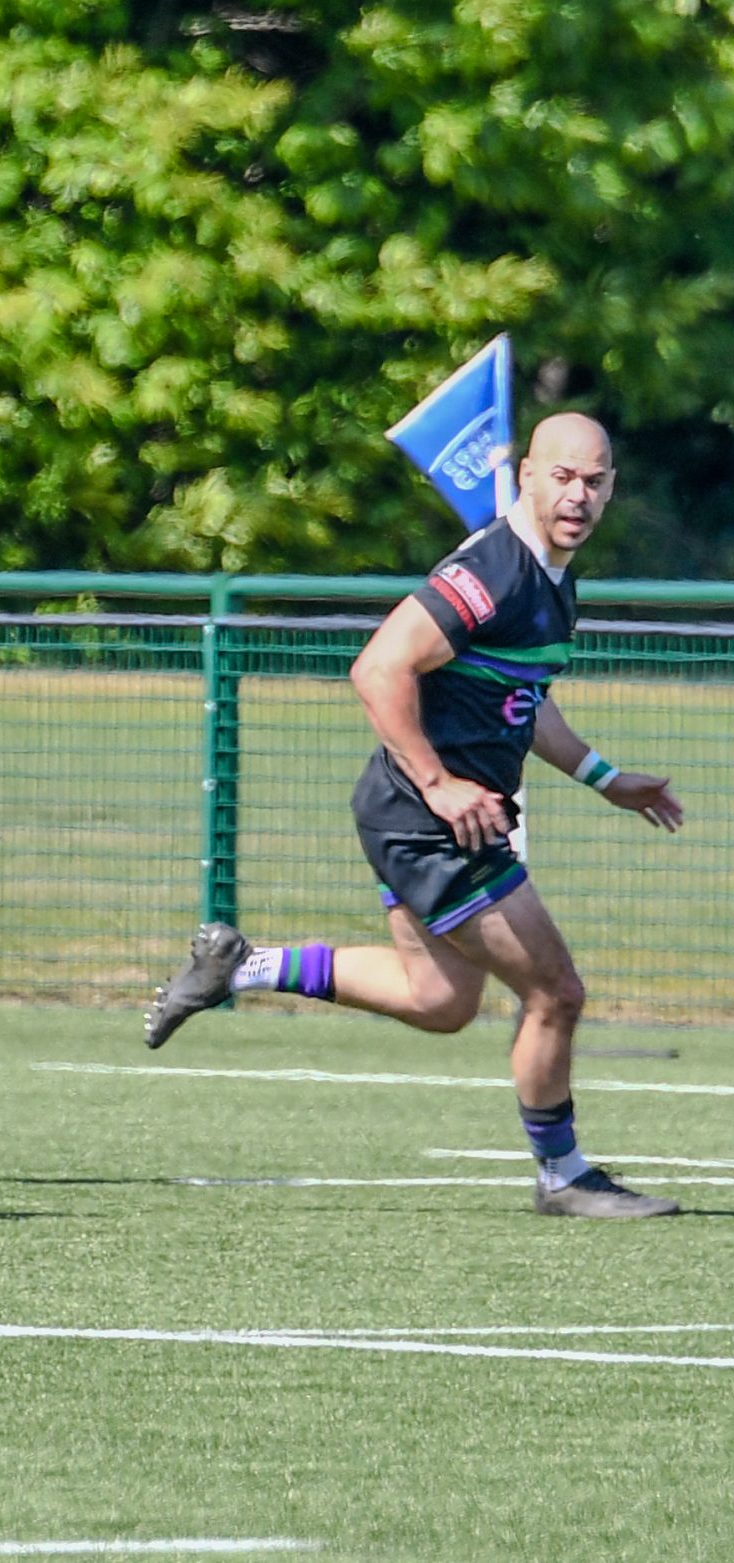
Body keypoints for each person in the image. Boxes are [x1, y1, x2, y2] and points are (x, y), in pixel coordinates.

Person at [145, 414, 683, 1219]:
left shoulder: (553, 579)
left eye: (595, 481)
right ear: (526, 475)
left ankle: (244, 966)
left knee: (439, 999)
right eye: (563, 476)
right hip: (431, 821)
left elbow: (523, 699)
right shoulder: (495, 570)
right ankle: (563, 1174)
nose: (578, 495)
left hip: (421, 815)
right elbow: (379, 667)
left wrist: (604, 777)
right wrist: (438, 783)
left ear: (612, 488)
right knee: (556, 990)